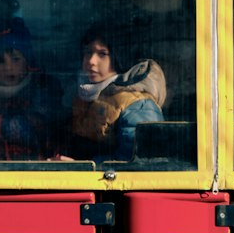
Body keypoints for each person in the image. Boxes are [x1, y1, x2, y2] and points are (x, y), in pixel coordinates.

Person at [64, 25, 166, 160]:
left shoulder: (139, 105)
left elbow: (140, 162)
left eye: (102, 54)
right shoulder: (83, 96)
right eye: (88, 52)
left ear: (119, 57)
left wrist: (83, 167)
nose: (91, 61)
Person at [0, 22, 61, 161]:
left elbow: (29, 131)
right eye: (0, 61)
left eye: (16, 59)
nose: (8, 68)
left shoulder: (42, 89)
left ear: (27, 62)